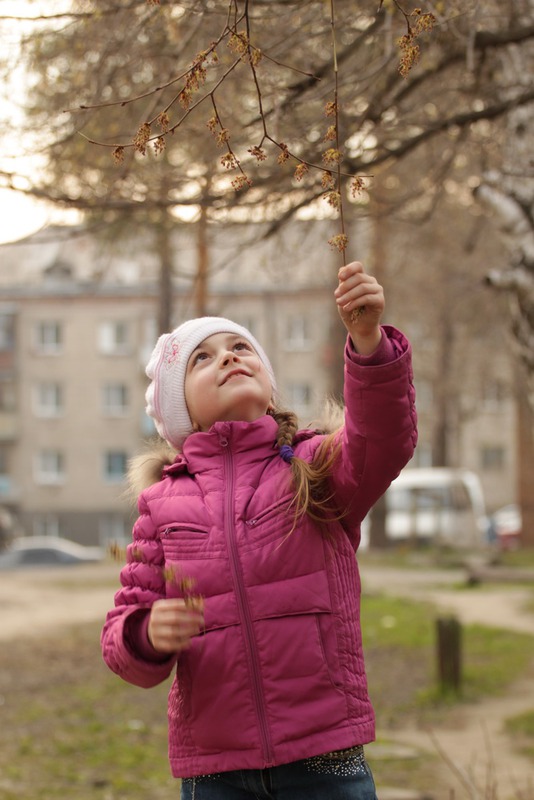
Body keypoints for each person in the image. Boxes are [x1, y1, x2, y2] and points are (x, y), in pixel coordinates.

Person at [101, 260, 417, 800]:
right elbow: (121, 635)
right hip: (216, 771)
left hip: (324, 756)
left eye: (241, 348)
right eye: (203, 358)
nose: (227, 356)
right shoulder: (161, 504)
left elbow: (383, 439)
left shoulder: (313, 467)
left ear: (269, 389)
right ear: (183, 415)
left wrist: (366, 342)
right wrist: (147, 634)